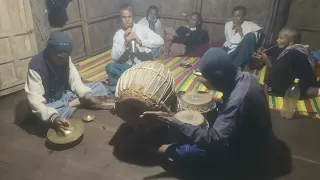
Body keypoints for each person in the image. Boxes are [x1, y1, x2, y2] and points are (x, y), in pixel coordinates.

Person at [141, 48, 273, 169]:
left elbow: (214, 141)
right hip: (255, 136)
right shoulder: (247, 77)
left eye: (207, 78)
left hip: (249, 155)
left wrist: (174, 121)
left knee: (186, 152)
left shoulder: (237, 101)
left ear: (219, 78)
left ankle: (150, 150)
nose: (205, 81)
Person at [25, 32, 112, 134]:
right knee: (46, 115)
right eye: (62, 57)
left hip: (65, 94)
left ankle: (73, 104)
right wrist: (53, 117)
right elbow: (35, 101)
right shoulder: (36, 65)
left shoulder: (65, 57)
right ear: (50, 51)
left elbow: (75, 81)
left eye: (67, 56)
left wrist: (87, 96)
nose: (65, 60)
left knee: (99, 87)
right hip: (51, 103)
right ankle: (74, 104)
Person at [106, 3, 164, 86]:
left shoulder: (142, 29)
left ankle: (127, 84)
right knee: (110, 67)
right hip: (128, 69)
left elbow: (160, 41)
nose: (127, 20)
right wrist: (125, 43)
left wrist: (140, 42)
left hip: (144, 67)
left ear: (133, 17)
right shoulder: (118, 34)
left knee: (158, 72)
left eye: (129, 17)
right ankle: (131, 84)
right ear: (120, 18)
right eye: (124, 17)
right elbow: (114, 57)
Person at [253, 27, 319, 97]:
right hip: (290, 83)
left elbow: (278, 72)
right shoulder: (285, 48)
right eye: (278, 37)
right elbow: (271, 50)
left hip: (298, 88)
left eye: (281, 38)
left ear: (291, 42)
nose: (277, 40)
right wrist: (261, 51)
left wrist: (267, 61)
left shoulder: (294, 53)